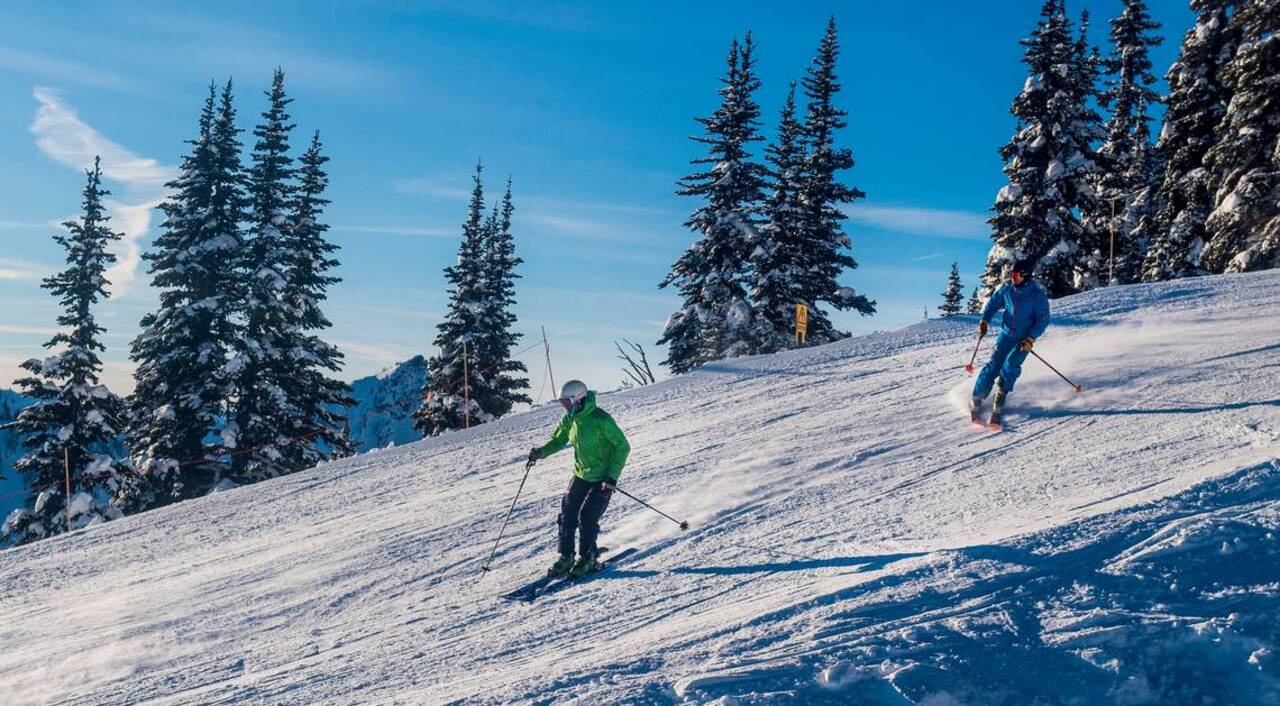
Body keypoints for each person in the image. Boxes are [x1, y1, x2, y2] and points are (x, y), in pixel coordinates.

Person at [528, 380, 631, 578]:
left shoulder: (601, 419)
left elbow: (622, 446)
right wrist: (540, 452)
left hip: (602, 478)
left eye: (566, 402)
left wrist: (612, 477)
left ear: (578, 399)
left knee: (587, 517)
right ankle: (566, 556)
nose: (564, 406)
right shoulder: (570, 419)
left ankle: (588, 558)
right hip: (581, 474)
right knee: (567, 515)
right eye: (562, 403)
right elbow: (558, 440)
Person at [971, 257, 1051, 425]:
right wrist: (984, 320)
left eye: (1016, 276)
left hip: (1024, 340)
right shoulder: (1007, 290)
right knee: (994, 365)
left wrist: (1031, 338)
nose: (1013, 278)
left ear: (1025, 275)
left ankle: (1001, 396)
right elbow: (993, 304)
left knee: (1011, 365)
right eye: (1012, 275)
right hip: (1006, 335)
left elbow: (1043, 320)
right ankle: (977, 398)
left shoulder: (1037, 296)